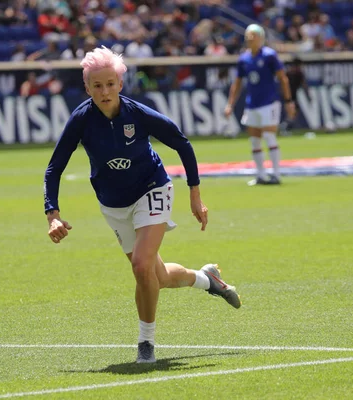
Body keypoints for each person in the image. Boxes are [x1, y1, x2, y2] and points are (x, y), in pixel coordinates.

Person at [44, 46, 241, 364]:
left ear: (120, 84)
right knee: (157, 277)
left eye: (110, 84)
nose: (105, 91)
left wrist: (195, 194)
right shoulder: (81, 120)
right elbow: (54, 167)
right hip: (113, 205)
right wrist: (52, 214)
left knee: (140, 266)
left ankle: (145, 344)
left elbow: (182, 143)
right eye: (97, 85)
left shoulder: (138, 114)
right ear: (87, 88)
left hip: (153, 188)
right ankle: (208, 280)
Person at [224, 24, 296, 186]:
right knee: (254, 141)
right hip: (252, 104)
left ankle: (276, 174)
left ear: (261, 38)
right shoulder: (244, 59)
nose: (249, 39)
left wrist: (288, 101)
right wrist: (230, 104)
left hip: (269, 102)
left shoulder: (270, 56)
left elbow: (283, 79)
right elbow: (237, 83)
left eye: (252, 35)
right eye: (247, 36)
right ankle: (261, 175)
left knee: (270, 136)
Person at [280, 56, 308, 136]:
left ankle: (285, 127)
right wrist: (308, 95)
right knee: (292, 113)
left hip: (289, 96)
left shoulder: (289, 72)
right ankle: (284, 127)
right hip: (289, 97)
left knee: (292, 113)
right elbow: (304, 85)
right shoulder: (297, 73)